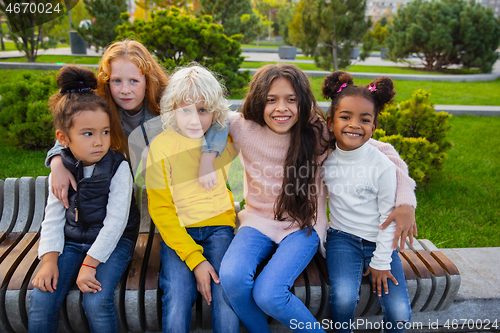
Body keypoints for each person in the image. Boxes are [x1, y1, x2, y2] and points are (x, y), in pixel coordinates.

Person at [219, 63, 417, 333]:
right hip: (257, 221)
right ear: (257, 100)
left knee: (269, 293)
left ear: (303, 101)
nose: (281, 108)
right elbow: (202, 116)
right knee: (232, 279)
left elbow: (384, 154)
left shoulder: (317, 132)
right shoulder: (242, 127)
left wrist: (406, 202)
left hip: (303, 226)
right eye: (271, 100)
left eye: (291, 99)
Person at [46, 39, 228, 209]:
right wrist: (56, 162)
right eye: (117, 81)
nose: (125, 90)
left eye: (134, 81)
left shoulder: (169, 101)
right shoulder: (100, 107)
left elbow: (222, 118)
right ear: (107, 81)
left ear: (148, 81)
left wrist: (207, 157)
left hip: (172, 195)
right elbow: (71, 129)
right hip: (118, 196)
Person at [28, 65, 140, 332]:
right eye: (88, 134)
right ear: (63, 138)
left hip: (113, 245)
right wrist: (49, 260)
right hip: (72, 241)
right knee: (42, 296)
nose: (100, 142)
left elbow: (115, 224)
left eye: (105, 131)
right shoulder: (63, 168)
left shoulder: (118, 167)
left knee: (96, 300)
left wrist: (90, 265)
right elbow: (54, 217)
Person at [145, 65, 240, 333]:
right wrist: (195, 260)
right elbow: (161, 209)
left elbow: (235, 120)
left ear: (215, 111)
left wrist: (209, 155)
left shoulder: (225, 141)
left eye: (203, 110)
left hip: (219, 229)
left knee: (225, 293)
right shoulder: (160, 147)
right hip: (179, 232)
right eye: (185, 110)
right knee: (177, 293)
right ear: (172, 109)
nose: (194, 120)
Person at [321, 71, 412, 332]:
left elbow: (389, 216)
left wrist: (381, 263)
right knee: (344, 298)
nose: (354, 125)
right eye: (345, 117)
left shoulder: (382, 165)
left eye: (364, 119)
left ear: (374, 126)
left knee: (400, 314)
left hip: (381, 239)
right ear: (330, 122)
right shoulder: (325, 162)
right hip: (342, 239)